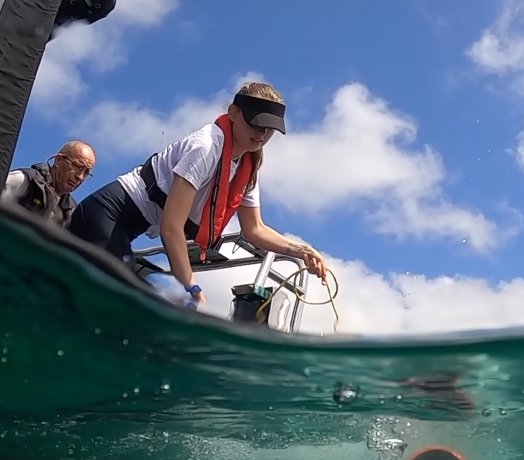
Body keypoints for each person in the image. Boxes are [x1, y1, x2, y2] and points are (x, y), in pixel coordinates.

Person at [68, 81, 328, 308]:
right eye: (256, 124)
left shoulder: (247, 169)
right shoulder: (205, 148)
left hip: (132, 226)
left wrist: (303, 251)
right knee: (136, 298)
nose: (261, 134)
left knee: (132, 299)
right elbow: (171, 227)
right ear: (233, 113)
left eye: (269, 129)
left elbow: (255, 229)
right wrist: (191, 286)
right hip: (106, 213)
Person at [1, 141, 96, 227]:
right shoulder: (24, 181)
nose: (80, 177)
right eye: (78, 166)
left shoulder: (71, 212)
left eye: (86, 172)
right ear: (58, 160)